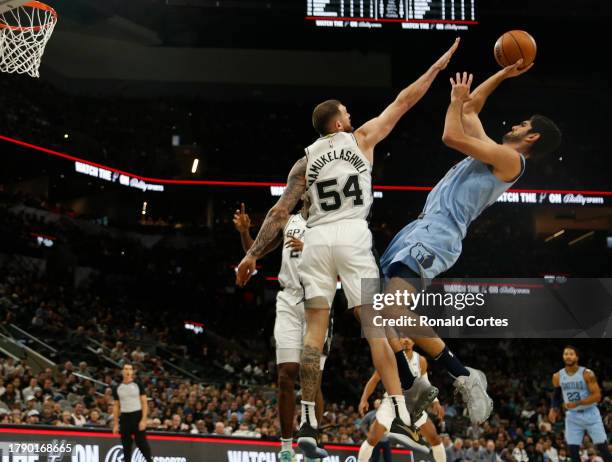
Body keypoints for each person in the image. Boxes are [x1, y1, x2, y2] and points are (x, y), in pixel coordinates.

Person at [236, 38, 461, 459]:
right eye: (346, 113)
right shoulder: (361, 138)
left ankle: (307, 418)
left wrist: (250, 255)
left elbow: (281, 211)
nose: (351, 116)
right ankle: (402, 397)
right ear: (337, 123)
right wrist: (435, 68)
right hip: (353, 233)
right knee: (373, 322)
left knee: (315, 330)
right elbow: (404, 101)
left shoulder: (303, 162)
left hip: (318, 239)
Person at [370, 59, 562, 425]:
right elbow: (473, 107)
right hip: (418, 229)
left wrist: (453, 102)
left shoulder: (512, 161)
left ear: (532, 137)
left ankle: (463, 375)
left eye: (524, 124)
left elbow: (451, 135)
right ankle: (413, 383)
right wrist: (503, 74)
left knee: (392, 309)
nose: (517, 124)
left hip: (438, 234)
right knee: (375, 312)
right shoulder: (492, 150)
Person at [233, 201, 328, 462]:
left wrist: (309, 250)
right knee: (286, 374)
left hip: (317, 299)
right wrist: (244, 232)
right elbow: (255, 251)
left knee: (312, 376)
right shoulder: (290, 221)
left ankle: (311, 446)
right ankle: (286, 447)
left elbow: (343, 259)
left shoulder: (332, 221)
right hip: (288, 298)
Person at [357, 338, 445, 461]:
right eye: (403, 337)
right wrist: (364, 399)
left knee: (434, 438)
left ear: (414, 341)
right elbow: (374, 380)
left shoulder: (421, 360)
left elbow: (425, 382)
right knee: (372, 438)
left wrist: (436, 402)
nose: (406, 340)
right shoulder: (389, 358)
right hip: (392, 402)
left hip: (413, 404)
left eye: (409, 337)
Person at [549, 346, 611, 462]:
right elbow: (557, 394)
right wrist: (554, 408)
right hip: (572, 415)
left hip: (590, 413)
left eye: (571, 354)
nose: (568, 356)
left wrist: (578, 403)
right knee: (572, 448)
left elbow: (597, 396)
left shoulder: (587, 374)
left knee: (602, 446)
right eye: (566, 354)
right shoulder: (557, 376)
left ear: (576, 357)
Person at [112, 363, 153, 462]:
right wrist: (116, 424)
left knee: (142, 444)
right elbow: (116, 406)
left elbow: (144, 402)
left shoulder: (138, 384)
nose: (127, 371)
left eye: (130, 369)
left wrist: (144, 420)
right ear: (122, 371)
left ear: (132, 372)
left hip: (137, 416)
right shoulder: (117, 387)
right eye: (125, 369)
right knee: (126, 446)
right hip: (124, 418)